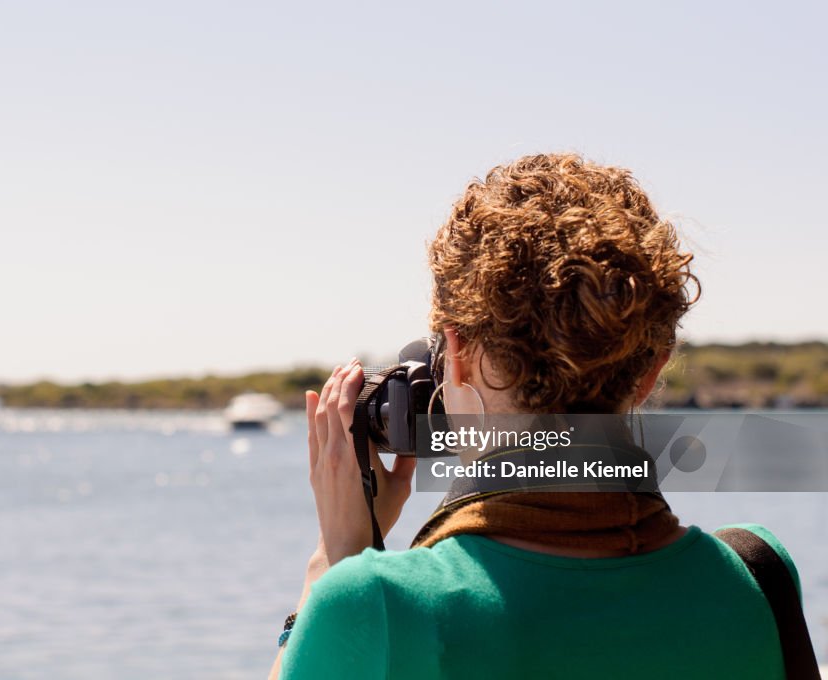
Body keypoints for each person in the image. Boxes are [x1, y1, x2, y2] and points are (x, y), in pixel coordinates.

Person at [268, 153, 807, 679]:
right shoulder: (758, 575)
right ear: (650, 373)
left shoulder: (375, 606)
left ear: (455, 356)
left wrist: (336, 559)